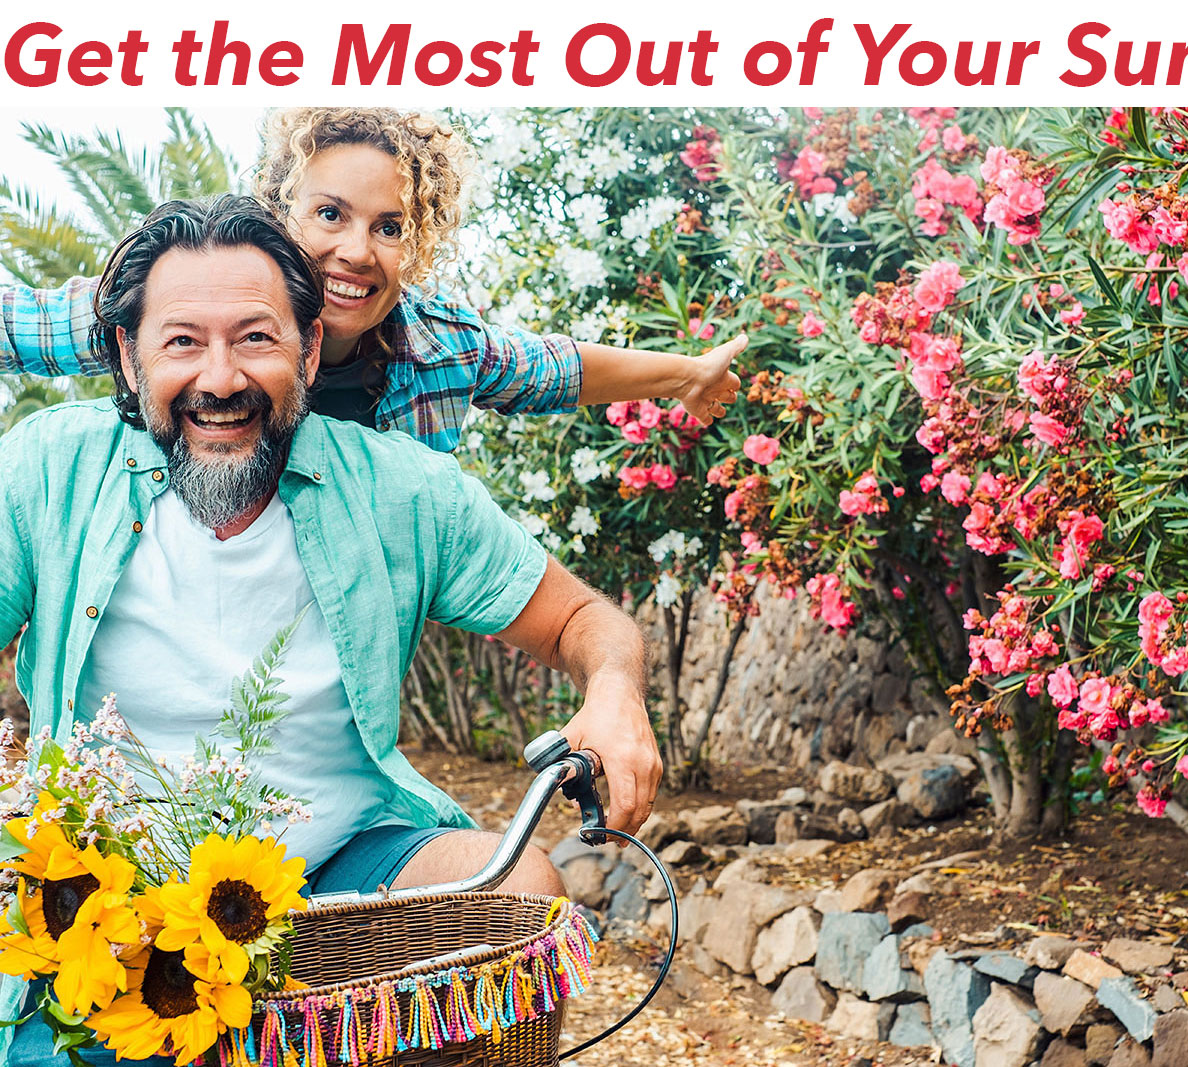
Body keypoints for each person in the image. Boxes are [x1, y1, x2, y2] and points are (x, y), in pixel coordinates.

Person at [0, 195, 660, 1067]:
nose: (222, 378)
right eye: (183, 341)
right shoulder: (51, 467)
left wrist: (613, 694)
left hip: (343, 871)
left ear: (309, 349)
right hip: (108, 894)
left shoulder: (398, 489)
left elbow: (584, 617)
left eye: (257, 338)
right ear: (129, 355)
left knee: (518, 892)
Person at [0, 106, 743, 452]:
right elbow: (17, 326)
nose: (358, 250)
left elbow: (551, 369)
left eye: (390, 227)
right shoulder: (189, 298)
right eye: (330, 214)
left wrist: (685, 376)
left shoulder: (440, 350)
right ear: (278, 209)